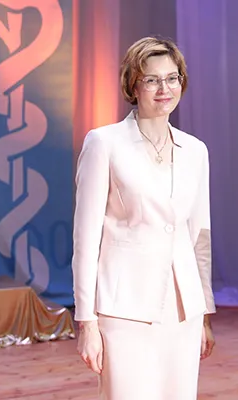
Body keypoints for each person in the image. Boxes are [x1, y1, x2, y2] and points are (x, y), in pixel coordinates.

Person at [71, 36, 216, 400]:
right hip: (125, 309)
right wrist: (86, 322)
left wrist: (205, 313)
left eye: (172, 78)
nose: (164, 89)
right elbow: (86, 239)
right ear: (133, 85)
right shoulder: (104, 143)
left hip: (183, 310)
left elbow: (199, 236)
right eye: (152, 79)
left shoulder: (195, 150)